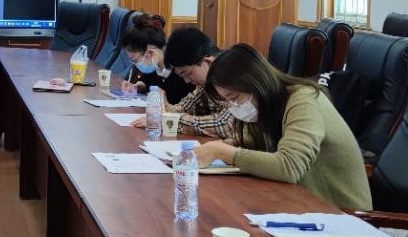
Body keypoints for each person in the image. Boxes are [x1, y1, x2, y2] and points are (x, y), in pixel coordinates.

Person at [196, 43, 372, 211]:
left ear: (256, 83)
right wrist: (221, 147)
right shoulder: (268, 107)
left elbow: (290, 166)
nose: (233, 106)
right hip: (302, 205)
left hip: (341, 216)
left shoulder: (304, 100)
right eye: (226, 101)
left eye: (234, 98)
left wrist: (224, 152)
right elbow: (253, 141)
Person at [132, 27, 236, 137]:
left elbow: (227, 125)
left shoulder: (234, 73)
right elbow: (184, 107)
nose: (187, 81)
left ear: (206, 62)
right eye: (182, 76)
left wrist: (170, 121)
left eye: (188, 73)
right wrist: (161, 108)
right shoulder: (206, 83)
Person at [120, 14, 192, 105]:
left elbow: (187, 108)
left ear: (150, 53)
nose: (136, 65)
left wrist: (166, 105)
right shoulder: (155, 64)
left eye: (134, 60)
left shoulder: (182, 70)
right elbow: (146, 81)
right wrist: (137, 87)